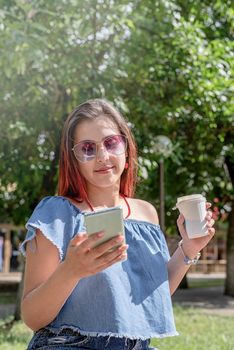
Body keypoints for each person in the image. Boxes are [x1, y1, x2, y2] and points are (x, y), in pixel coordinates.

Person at [20, 99, 215, 350]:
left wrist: (188, 248)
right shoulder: (56, 214)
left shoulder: (146, 213)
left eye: (111, 143)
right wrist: (72, 270)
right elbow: (32, 318)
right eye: (87, 148)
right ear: (74, 159)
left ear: (126, 147)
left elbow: (149, 298)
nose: (102, 156)